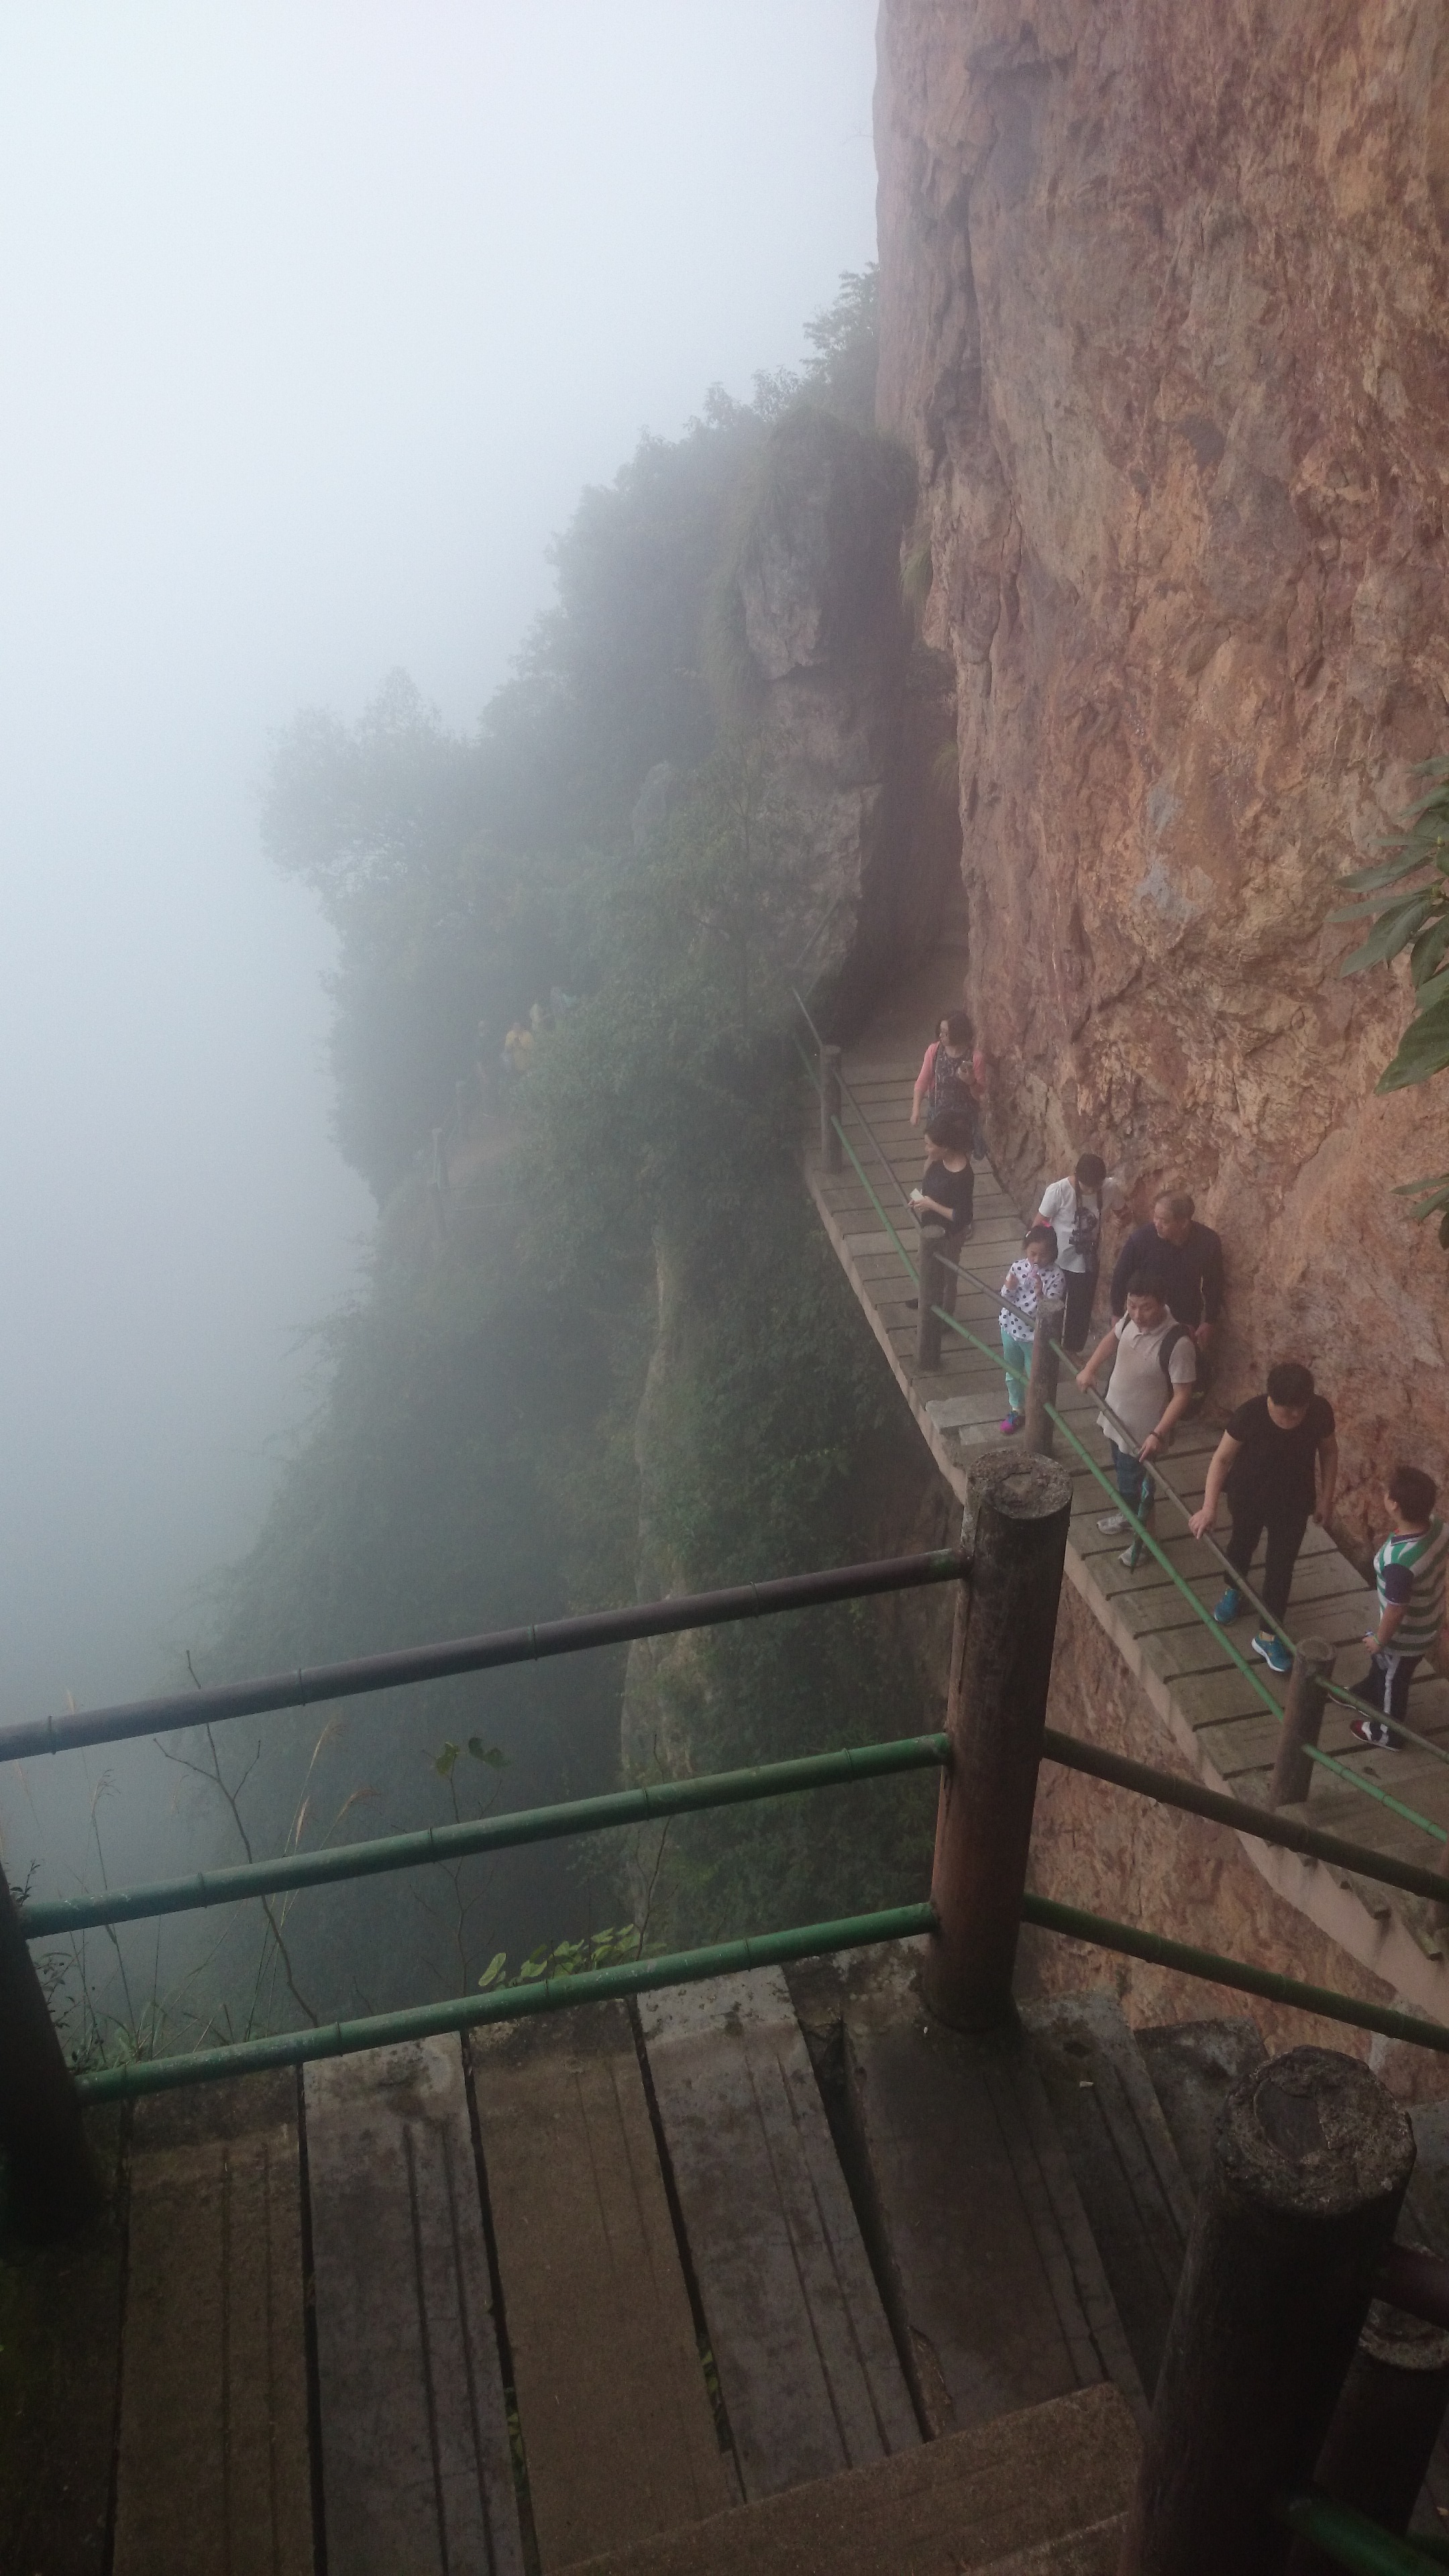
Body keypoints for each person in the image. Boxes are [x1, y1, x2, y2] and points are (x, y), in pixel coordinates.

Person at [1188, 1362, 1338, 1676]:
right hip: (1248, 1497)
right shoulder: (1249, 1415)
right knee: (1242, 1544)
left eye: (1301, 1408)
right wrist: (1209, 1507)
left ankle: (1269, 1635)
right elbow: (1222, 1459)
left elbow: (1328, 1452)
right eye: (1288, 1410)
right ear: (1271, 1398)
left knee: (1281, 1566)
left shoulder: (1319, 1412)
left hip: (1294, 1502)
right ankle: (1233, 1588)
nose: (1296, 1416)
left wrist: (1326, 1498)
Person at [1076, 1271, 1198, 1567]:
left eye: (1146, 1307)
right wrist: (1090, 1368)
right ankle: (1129, 1516)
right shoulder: (1130, 1320)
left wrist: (1158, 1434)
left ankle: (1146, 1544)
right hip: (1117, 1420)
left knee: (1139, 1489)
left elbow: (1183, 1395)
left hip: (1142, 1435)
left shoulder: (1177, 1343)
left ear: (1163, 1304)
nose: (1138, 1314)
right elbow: (1112, 1339)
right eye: (1132, 1306)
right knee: (1124, 1477)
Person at [1350, 1466, 1449, 1750]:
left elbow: (1396, 1610)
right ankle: (1370, 1692)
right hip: (1429, 1617)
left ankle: (1387, 1732)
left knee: (1394, 1680)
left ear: (1394, 1505)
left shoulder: (1399, 1564)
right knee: (1384, 1668)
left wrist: (1381, 1640)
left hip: (1404, 1638)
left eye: (1387, 1493)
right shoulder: (1438, 1527)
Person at [1110, 1189, 1224, 1389]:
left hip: (1184, 1314)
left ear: (1183, 1222)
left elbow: (1214, 1282)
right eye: (1155, 1217)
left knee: (1175, 1370)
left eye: (1164, 1220)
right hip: (1145, 1314)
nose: (1156, 1224)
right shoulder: (1141, 1240)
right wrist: (1116, 1313)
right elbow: (1120, 1277)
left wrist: (1210, 1320)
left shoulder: (1208, 1243)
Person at [1036, 1153, 1125, 1356]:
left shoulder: (1109, 1188)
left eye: (1097, 1186)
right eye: (1088, 1187)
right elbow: (1039, 1224)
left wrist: (1122, 1221)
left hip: (1087, 1263)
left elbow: (1124, 1213)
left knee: (1080, 1312)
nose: (1093, 1191)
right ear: (1076, 1177)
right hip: (1057, 1261)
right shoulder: (1058, 1191)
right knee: (1052, 1309)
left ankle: (1071, 1353)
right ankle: (1045, 1351)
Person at [906, 1110, 977, 1322]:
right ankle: (926, 1298)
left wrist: (931, 1205)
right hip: (930, 1227)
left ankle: (945, 1316)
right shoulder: (937, 1159)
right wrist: (921, 1200)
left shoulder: (963, 1176)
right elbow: (928, 1181)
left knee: (947, 1276)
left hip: (950, 1234)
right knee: (925, 1262)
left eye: (929, 1145)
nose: (926, 1149)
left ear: (945, 1147)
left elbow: (962, 1216)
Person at [998, 1223, 1067, 1435]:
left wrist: (1040, 1294)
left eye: (1043, 1255)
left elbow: (1051, 1310)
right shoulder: (1018, 1267)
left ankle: (1037, 1410)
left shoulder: (1056, 1276)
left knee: (1034, 1374)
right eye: (1032, 1253)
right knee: (1012, 1371)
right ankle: (1017, 1409)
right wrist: (1008, 1288)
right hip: (1010, 1327)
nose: (1036, 1260)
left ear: (1053, 1254)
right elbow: (1006, 1298)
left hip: (1034, 1335)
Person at [912, 1011, 985, 1161]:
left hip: (963, 1117)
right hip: (939, 1112)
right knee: (934, 1156)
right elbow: (923, 1080)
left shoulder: (975, 1058)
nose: (941, 1036)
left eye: (946, 1033)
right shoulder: (935, 1050)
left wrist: (971, 1082)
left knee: (960, 1157)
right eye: (941, 1031)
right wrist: (916, 1109)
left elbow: (980, 1096)